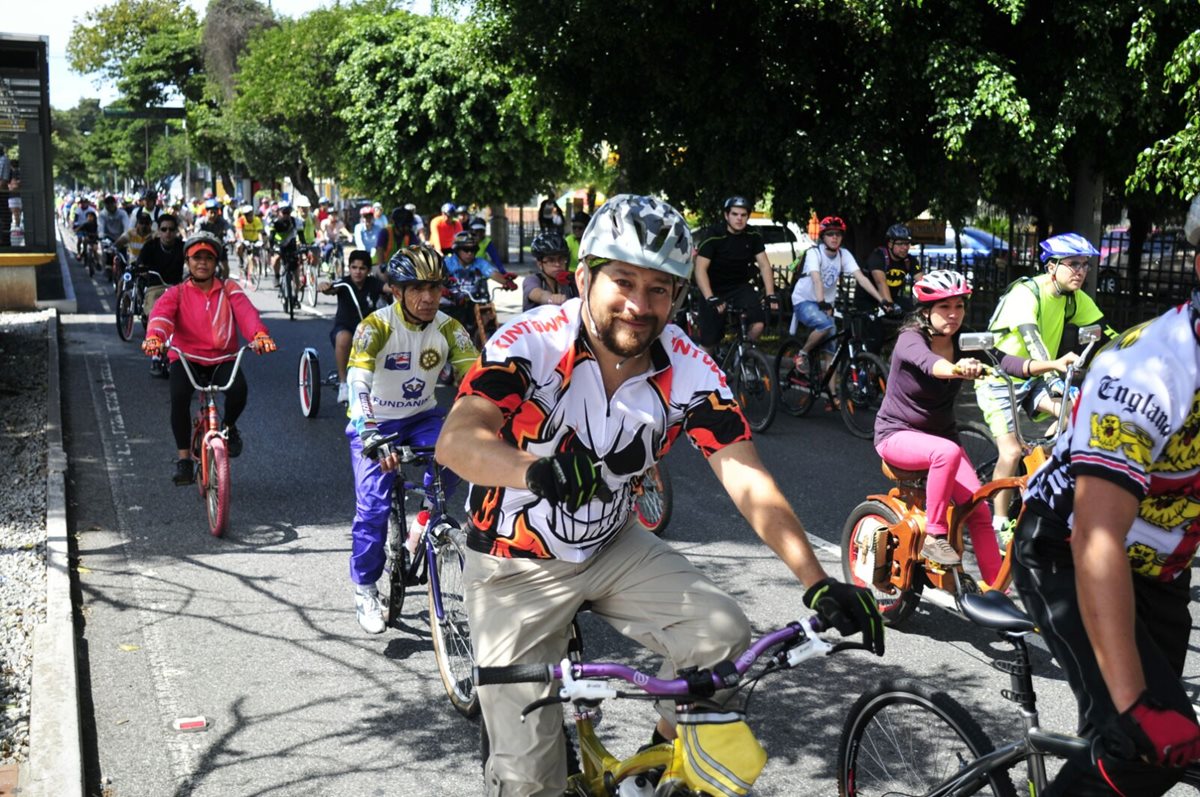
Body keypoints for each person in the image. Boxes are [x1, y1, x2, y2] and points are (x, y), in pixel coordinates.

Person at [435, 193, 884, 796]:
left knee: (723, 633)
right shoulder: (532, 341)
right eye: (622, 281)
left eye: (659, 289)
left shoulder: (689, 367)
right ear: (587, 275)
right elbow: (458, 441)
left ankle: (654, 763)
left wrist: (817, 579)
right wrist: (535, 472)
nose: (638, 306)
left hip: (613, 543)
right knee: (528, 783)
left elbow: (748, 480)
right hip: (514, 565)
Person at [1008, 197, 1200, 797]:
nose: (1080, 273)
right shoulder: (1153, 368)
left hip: (1161, 569)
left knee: (1160, 750)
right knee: (1139, 743)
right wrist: (1133, 702)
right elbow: (1095, 540)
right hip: (1068, 548)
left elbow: (1095, 323)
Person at [873, 270, 1073, 580]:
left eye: (959, 306)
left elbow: (1006, 362)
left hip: (941, 438)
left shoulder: (964, 339)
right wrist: (957, 368)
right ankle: (935, 537)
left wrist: (1054, 364)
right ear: (926, 311)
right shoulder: (910, 338)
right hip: (897, 434)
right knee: (946, 453)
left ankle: (997, 594)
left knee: (979, 510)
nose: (953, 315)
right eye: (944, 307)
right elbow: (931, 365)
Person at [344, 246, 478, 634]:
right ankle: (365, 588)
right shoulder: (376, 326)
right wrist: (369, 429)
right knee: (371, 509)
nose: (428, 298)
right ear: (396, 291)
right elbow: (358, 382)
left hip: (422, 417)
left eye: (435, 288)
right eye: (416, 288)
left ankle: (422, 521)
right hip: (376, 421)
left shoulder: (450, 328)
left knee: (462, 458)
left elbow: (478, 379)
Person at [977, 232, 1116, 542]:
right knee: (1010, 451)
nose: (1081, 271)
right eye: (1073, 264)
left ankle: (1040, 472)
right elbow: (1032, 339)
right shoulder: (1027, 293)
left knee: (1073, 415)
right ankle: (999, 523)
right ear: (1051, 266)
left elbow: (1105, 332)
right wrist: (1053, 375)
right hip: (999, 379)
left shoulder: (1073, 297)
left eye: (1085, 265)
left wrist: (1132, 355)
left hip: (1036, 378)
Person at [141, 233, 276, 485]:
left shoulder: (229, 289)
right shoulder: (177, 293)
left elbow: (247, 314)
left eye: (208, 258)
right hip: (186, 358)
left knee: (239, 391)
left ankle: (230, 426)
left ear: (216, 262)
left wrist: (258, 334)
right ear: (188, 262)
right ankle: (183, 459)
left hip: (222, 357)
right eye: (196, 258)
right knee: (179, 397)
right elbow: (161, 317)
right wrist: (155, 338)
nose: (202, 263)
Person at [789, 216, 892, 373]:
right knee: (825, 325)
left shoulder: (843, 254)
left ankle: (834, 394)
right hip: (804, 301)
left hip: (825, 305)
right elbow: (816, 279)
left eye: (838, 234)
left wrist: (882, 300)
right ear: (823, 237)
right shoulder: (814, 254)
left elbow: (861, 278)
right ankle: (802, 353)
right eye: (830, 234)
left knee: (832, 350)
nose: (834, 237)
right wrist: (822, 302)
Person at [693, 196, 781, 354]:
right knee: (709, 342)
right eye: (734, 214)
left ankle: (742, 357)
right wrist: (709, 297)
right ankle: (700, 373)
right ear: (727, 216)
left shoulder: (753, 235)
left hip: (739, 287)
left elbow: (764, 265)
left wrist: (770, 294)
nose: (739, 219)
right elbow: (700, 269)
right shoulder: (714, 234)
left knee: (758, 324)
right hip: (713, 288)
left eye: (743, 215)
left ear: (748, 216)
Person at [319, 249, 384, 404]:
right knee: (344, 338)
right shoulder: (344, 283)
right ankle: (343, 384)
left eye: (362, 268)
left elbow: (388, 288)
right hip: (345, 328)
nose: (357, 272)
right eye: (354, 267)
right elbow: (330, 289)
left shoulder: (373, 283)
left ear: (368, 270)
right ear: (349, 268)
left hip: (369, 330)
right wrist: (324, 286)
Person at [857, 223, 921, 354]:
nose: (905, 248)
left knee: (916, 313)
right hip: (869, 301)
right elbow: (881, 282)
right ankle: (866, 367)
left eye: (907, 244)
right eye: (901, 244)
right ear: (890, 244)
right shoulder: (878, 256)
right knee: (876, 336)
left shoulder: (910, 261)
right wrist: (889, 304)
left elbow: (922, 282)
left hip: (892, 299)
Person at [521, 232, 575, 311]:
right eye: (551, 260)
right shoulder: (532, 280)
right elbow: (538, 294)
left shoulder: (572, 281)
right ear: (540, 264)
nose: (557, 264)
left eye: (561, 259)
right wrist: (551, 298)